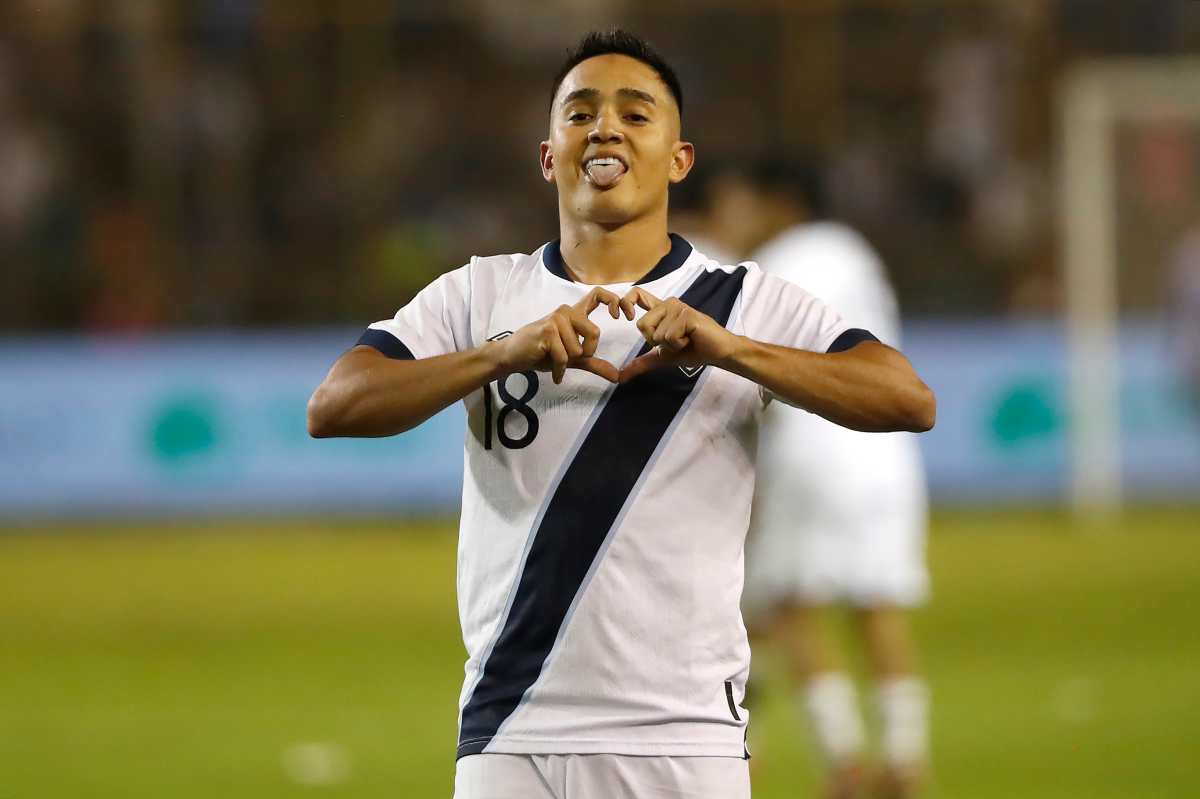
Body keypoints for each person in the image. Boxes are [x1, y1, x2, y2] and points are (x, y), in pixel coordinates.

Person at [307, 30, 935, 799]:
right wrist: (500, 355)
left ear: (679, 159)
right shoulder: (479, 295)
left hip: (685, 736)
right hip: (511, 732)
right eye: (581, 113)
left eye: (636, 114)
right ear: (549, 156)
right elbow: (334, 404)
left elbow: (906, 396)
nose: (606, 127)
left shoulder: (742, 299)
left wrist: (731, 349)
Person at [710, 162, 931, 799]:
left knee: (792, 607)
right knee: (878, 605)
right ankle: (905, 758)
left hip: (814, 446)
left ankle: (846, 763)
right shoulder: (856, 253)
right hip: (886, 454)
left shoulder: (779, 262)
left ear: (780, 201)